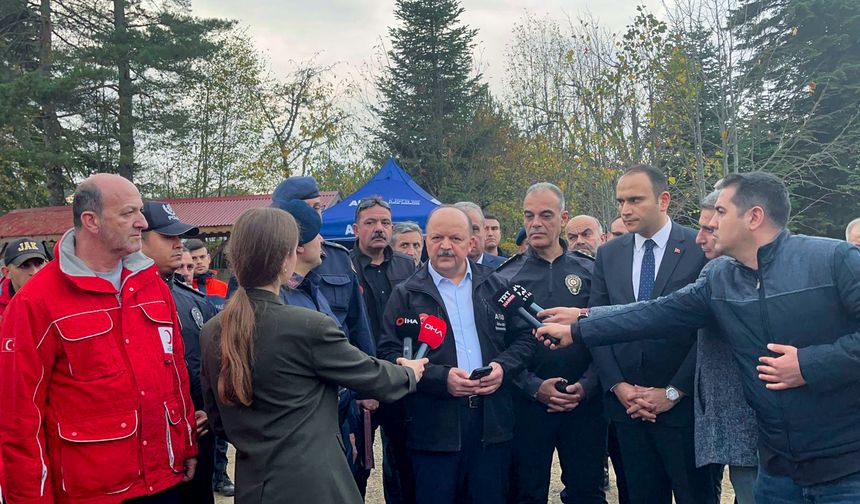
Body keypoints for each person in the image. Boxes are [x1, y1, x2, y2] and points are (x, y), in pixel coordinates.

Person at [536, 171, 860, 502]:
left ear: (754, 217)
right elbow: (655, 312)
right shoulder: (720, 278)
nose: (710, 222)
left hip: (846, 467)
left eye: (720, 212)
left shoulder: (834, 260)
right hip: (777, 468)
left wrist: (807, 364)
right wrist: (580, 326)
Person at [199, 207, 428, 504]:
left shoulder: (212, 329)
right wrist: (409, 371)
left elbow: (219, 421)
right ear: (286, 259)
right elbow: (374, 378)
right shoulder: (306, 325)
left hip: (255, 485)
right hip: (315, 485)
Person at [0, 173, 197, 503]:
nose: (142, 222)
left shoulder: (152, 286)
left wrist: (186, 439)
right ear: (90, 221)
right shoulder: (36, 302)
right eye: (128, 213)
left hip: (164, 479)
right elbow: (18, 416)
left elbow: (174, 371)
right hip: (91, 492)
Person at [377, 205, 535, 504]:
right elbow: (389, 352)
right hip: (434, 430)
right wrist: (440, 378)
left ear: (470, 242)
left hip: (491, 426)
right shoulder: (406, 294)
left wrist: (503, 367)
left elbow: (526, 339)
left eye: (455, 238)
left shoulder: (496, 285)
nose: (446, 246)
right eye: (437, 238)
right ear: (425, 241)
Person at [586, 164, 713, 504]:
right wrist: (619, 386)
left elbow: (709, 331)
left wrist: (674, 392)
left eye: (635, 200)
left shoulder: (699, 248)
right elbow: (596, 324)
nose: (625, 210)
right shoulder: (609, 254)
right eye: (620, 201)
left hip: (685, 412)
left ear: (663, 200)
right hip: (628, 411)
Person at [495, 184, 607, 504]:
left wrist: (587, 385)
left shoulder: (591, 272)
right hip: (528, 405)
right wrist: (532, 387)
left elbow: (606, 335)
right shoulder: (505, 277)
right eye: (529, 216)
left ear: (563, 218)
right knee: (525, 492)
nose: (536, 224)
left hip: (585, 404)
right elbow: (497, 347)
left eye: (546, 215)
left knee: (587, 492)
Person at [269, 176, 378, 495]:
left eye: (321, 208)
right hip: (299, 403)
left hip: (343, 395)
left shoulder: (338, 258)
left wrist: (367, 388)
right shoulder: (265, 266)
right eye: (313, 208)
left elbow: (359, 327)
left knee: (350, 475)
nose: (319, 216)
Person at [141, 200, 218, 504]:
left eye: (179, 238)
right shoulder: (124, 300)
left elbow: (216, 365)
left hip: (199, 432)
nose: (178, 245)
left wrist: (212, 412)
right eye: (167, 237)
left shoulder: (195, 302)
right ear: (139, 239)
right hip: (154, 441)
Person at [691, 190, 758, 504]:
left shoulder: (719, 273)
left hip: (757, 431)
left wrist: (584, 322)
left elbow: (661, 314)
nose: (700, 238)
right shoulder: (717, 271)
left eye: (710, 228)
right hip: (739, 433)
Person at [350, 195, 417, 503]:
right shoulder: (342, 267)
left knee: (403, 461)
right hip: (358, 381)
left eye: (385, 222)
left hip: (399, 376)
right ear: (355, 229)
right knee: (356, 465)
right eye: (370, 223)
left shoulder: (408, 266)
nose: (379, 229)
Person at [0, 238, 49, 321]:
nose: (34, 272)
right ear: (7, 272)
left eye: (39, 263)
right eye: (24, 266)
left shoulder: (63, 298)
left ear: (48, 265)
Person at [453, 202, 505, 269]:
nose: (469, 237)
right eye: (460, 230)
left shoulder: (505, 268)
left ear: (484, 231)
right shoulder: (438, 270)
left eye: (474, 229)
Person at [186, 239, 228, 311]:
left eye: (202, 257)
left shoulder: (225, 288)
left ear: (208, 258)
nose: (199, 262)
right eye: (194, 258)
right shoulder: (182, 289)